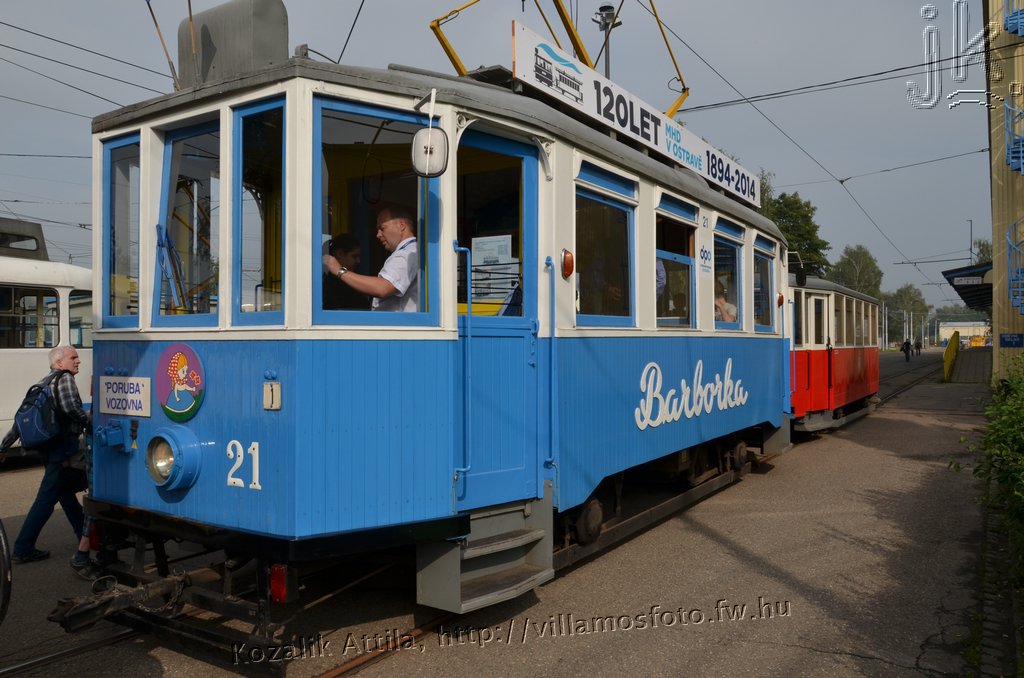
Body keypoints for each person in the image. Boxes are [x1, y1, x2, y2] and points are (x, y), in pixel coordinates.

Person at [0, 345, 90, 568]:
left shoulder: (43, 383)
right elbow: (71, 409)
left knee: (64, 493)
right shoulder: (65, 379)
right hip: (62, 451)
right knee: (46, 499)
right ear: (59, 363)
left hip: (49, 450)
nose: (78, 361)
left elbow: (20, 422)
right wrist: (90, 420)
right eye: (73, 357)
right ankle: (23, 548)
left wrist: (3, 447)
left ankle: (84, 534)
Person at [323, 206, 418, 312]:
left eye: (382, 228)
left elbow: (383, 288)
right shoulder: (411, 251)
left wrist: (339, 270)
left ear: (401, 226)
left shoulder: (407, 253)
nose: (378, 235)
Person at [322, 233, 370, 310]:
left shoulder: (352, 281)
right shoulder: (325, 282)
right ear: (340, 254)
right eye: (354, 256)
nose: (358, 261)